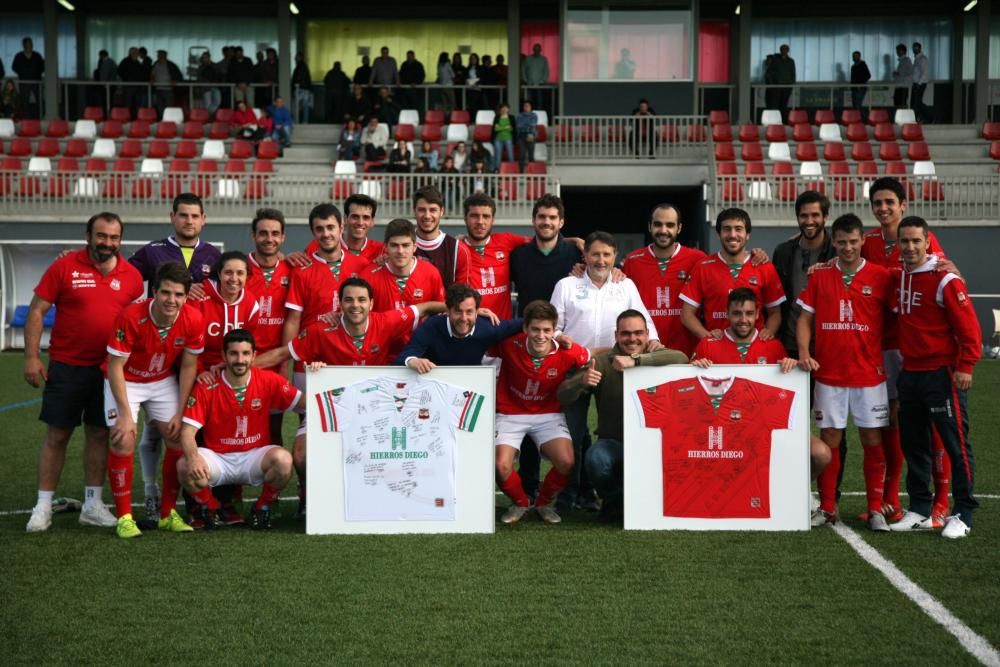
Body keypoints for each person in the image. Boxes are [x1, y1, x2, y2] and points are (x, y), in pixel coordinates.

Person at [23, 213, 145, 533]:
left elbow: (139, 320)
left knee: (99, 433)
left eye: (114, 238)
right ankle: (43, 504)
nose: (107, 243)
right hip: (66, 366)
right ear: (88, 235)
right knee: (58, 434)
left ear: (121, 240)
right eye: (101, 236)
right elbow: (37, 309)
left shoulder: (132, 276)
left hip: (109, 371)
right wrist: (32, 357)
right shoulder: (64, 266)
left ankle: (92, 503)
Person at [549, 230, 660, 513]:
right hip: (575, 367)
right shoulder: (566, 285)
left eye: (606, 254)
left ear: (615, 257)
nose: (600, 260)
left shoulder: (626, 286)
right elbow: (554, 327)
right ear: (585, 256)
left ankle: (611, 496)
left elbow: (645, 323)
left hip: (615, 369)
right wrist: (562, 338)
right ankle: (571, 495)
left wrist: (654, 343)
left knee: (613, 434)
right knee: (573, 435)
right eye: (595, 254)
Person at [796, 214, 893, 531]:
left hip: (869, 375)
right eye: (841, 242)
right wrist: (804, 353)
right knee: (831, 438)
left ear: (863, 240)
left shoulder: (881, 276)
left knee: (871, 438)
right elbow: (804, 319)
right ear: (832, 242)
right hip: (830, 375)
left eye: (853, 241)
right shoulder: (820, 276)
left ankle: (876, 508)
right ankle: (826, 507)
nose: (848, 247)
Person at [862, 177, 949, 525]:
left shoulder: (920, 240)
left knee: (931, 421)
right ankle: (890, 499)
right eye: (878, 203)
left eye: (889, 203)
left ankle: (941, 501)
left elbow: (944, 275)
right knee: (891, 422)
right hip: (878, 345)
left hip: (914, 347)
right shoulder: (867, 242)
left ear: (903, 205)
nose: (883, 209)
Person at [890, 216, 981, 539]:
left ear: (928, 242)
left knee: (955, 444)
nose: (910, 247)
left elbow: (969, 328)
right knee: (913, 442)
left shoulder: (945, 279)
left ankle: (964, 512)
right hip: (910, 373)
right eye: (905, 241)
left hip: (941, 373)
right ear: (898, 244)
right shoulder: (899, 275)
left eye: (916, 241)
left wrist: (966, 365)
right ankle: (919, 507)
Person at [105, 262, 205, 538]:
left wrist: (180, 412)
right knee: (124, 436)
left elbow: (188, 366)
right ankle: (125, 517)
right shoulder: (131, 316)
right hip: (126, 379)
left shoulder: (194, 319)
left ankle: (167, 514)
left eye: (178, 294)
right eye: (166, 293)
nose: (171, 300)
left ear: (186, 296)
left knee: (177, 436)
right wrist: (126, 413)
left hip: (160, 380)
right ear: (155, 292)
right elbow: (114, 366)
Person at [558, 310, 687, 521]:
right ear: (617, 335)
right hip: (615, 443)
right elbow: (563, 394)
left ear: (647, 334)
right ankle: (616, 501)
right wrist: (580, 382)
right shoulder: (602, 362)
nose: (632, 339)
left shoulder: (657, 357)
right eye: (626, 333)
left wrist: (636, 360)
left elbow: (681, 358)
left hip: (654, 444)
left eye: (638, 333)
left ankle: (648, 502)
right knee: (596, 458)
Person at [689, 289, 831, 481]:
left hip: (765, 424)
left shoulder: (772, 346)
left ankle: (796, 493)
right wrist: (694, 369)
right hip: (724, 427)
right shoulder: (709, 344)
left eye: (749, 313)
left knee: (820, 453)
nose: (743, 320)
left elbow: (785, 393)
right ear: (727, 313)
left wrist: (792, 367)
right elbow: (690, 392)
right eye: (737, 313)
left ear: (757, 314)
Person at [178, 329, 303, 530]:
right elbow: (187, 432)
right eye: (234, 353)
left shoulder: (268, 380)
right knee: (184, 465)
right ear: (224, 355)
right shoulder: (206, 386)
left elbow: (303, 402)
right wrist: (193, 459)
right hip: (218, 458)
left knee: (284, 460)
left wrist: (320, 373)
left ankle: (262, 508)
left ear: (254, 355)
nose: (240, 359)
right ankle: (211, 507)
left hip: (253, 457)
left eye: (245, 354)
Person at [491, 300, 590, 525]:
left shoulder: (568, 351)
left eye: (547, 330)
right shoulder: (508, 344)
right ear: (525, 328)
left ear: (555, 330)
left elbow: (593, 355)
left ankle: (543, 503)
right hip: (510, 413)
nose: (541, 335)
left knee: (567, 461)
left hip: (549, 414)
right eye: (535, 329)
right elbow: (479, 342)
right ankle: (521, 503)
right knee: (500, 465)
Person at [680, 207, 785, 343]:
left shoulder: (764, 266)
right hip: (716, 355)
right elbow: (687, 314)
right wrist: (707, 338)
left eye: (738, 229)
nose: (732, 234)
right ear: (719, 234)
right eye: (727, 229)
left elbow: (775, 313)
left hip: (754, 353)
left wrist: (768, 333)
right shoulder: (703, 266)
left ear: (748, 234)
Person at [622, 204, 706, 358]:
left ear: (679, 228)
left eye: (670, 225)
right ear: (650, 226)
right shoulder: (632, 260)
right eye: (658, 224)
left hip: (687, 353)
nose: (663, 230)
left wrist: (755, 255)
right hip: (645, 353)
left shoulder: (698, 259)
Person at [246, 208, 294, 445]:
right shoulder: (238, 269)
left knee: (274, 433)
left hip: (276, 363)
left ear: (283, 237)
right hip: (243, 360)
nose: (269, 238)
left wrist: (285, 365)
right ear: (253, 236)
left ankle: (272, 482)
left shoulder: (293, 269)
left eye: (275, 233)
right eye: (263, 233)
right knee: (240, 428)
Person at [396, 282, 522, 372]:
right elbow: (404, 357)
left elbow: (523, 323)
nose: (463, 318)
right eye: (458, 311)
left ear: (477, 311)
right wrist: (413, 361)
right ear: (448, 311)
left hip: (470, 388)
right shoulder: (431, 326)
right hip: (435, 386)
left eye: (469, 312)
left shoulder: (488, 327)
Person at [771, 191, 835, 359]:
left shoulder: (838, 252)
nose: (809, 221)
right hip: (790, 344)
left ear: (825, 217)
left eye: (815, 215)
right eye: (803, 216)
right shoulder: (783, 251)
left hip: (828, 344)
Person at [461, 192, 532, 319]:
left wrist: (573, 241)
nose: (480, 221)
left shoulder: (506, 240)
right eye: (474, 216)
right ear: (465, 218)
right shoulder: (455, 248)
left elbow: (542, 242)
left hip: (502, 329)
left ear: (493, 219)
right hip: (470, 328)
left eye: (486, 216)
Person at [360, 217, 445, 321]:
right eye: (394, 245)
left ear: (414, 247)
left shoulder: (431, 273)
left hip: (419, 337)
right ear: (386, 247)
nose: (400, 251)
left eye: (405, 245)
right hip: (383, 337)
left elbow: (441, 311)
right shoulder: (368, 276)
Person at [194, 251, 260, 372]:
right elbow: (188, 346)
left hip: (233, 368)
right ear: (219, 274)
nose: (234, 278)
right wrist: (200, 371)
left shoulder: (251, 305)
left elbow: (249, 347)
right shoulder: (198, 297)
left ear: (247, 276)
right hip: (198, 368)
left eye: (240, 273)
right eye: (228, 272)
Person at [413, 185, 470, 288]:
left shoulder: (458, 250)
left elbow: (461, 298)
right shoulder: (400, 245)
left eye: (433, 210)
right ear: (414, 210)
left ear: (442, 211)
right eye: (422, 210)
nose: (427, 215)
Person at [12, 37, 44, 118]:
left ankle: (37, 117)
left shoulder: (37, 56)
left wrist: (36, 74)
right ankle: (24, 118)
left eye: (31, 43)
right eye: (28, 43)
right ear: (24, 45)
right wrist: (23, 73)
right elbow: (14, 67)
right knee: (24, 101)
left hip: (36, 82)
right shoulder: (19, 56)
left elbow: (43, 67)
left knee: (38, 100)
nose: (30, 45)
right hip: (24, 82)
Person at [150, 50, 182, 114]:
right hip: (158, 89)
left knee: (169, 107)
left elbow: (178, 75)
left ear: (164, 56)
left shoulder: (171, 65)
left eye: (160, 55)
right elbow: (152, 74)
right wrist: (152, 79)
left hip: (168, 89)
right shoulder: (156, 64)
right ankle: (162, 120)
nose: (158, 56)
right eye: (158, 55)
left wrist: (175, 81)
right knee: (160, 107)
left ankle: (169, 120)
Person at [522, 43, 549, 111]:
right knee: (528, 101)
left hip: (540, 85)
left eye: (538, 50)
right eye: (535, 49)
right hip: (529, 84)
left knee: (539, 101)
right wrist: (525, 80)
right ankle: (528, 113)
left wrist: (543, 81)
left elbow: (546, 71)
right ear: (533, 50)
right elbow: (523, 70)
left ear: (540, 50)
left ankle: (538, 114)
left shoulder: (544, 59)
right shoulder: (528, 59)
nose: (536, 51)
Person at [773, 44, 795, 123]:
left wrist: (792, 83)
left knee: (784, 105)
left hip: (787, 86)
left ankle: (783, 121)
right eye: (782, 49)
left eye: (785, 49)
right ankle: (775, 121)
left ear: (788, 51)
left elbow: (793, 73)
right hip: (777, 86)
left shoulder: (791, 61)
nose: (784, 51)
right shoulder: (776, 60)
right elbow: (773, 72)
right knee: (776, 104)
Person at [515, 100, 538, 172]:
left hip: (530, 134)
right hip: (521, 136)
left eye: (528, 106)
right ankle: (521, 172)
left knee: (531, 155)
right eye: (525, 106)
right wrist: (527, 123)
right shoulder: (519, 115)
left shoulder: (534, 115)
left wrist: (524, 123)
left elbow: (533, 124)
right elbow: (518, 125)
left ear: (531, 107)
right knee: (522, 155)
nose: (526, 107)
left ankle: (532, 171)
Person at [197, 51, 222, 115]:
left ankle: (207, 114)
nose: (205, 59)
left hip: (215, 87)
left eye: (206, 57)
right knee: (207, 104)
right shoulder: (201, 67)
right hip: (206, 88)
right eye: (204, 58)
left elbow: (219, 76)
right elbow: (199, 78)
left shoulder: (215, 66)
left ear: (209, 58)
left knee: (217, 102)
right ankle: (207, 116)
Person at [911, 42, 930, 123]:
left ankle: (923, 118)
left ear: (920, 48)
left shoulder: (922, 59)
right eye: (914, 48)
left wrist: (919, 84)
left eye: (916, 48)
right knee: (916, 102)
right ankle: (928, 118)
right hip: (916, 83)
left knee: (916, 103)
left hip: (920, 84)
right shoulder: (917, 59)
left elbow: (925, 72)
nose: (915, 49)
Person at [292, 52, 313, 124]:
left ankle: (295, 121)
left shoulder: (299, 67)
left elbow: (297, 78)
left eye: (296, 57)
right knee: (305, 107)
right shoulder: (305, 66)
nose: (294, 58)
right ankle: (305, 121)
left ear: (299, 57)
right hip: (306, 89)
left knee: (294, 106)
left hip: (300, 89)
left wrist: (294, 86)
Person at [493, 103, 515, 168]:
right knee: (498, 156)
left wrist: (500, 127)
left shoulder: (511, 117)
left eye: (506, 108)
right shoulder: (497, 117)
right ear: (500, 109)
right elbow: (496, 129)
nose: (504, 109)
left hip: (508, 138)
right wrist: (506, 127)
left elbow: (512, 128)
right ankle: (497, 171)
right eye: (503, 108)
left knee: (510, 155)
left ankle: (512, 170)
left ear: (508, 109)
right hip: (498, 139)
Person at [892, 44, 912, 111]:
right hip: (898, 85)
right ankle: (898, 118)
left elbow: (909, 72)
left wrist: (898, 73)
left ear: (903, 51)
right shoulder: (900, 61)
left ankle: (903, 118)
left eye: (898, 50)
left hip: (904, 85)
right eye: (897, 50)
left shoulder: (907, 60)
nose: (897, 52)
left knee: (902, 103)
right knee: (897, 102)